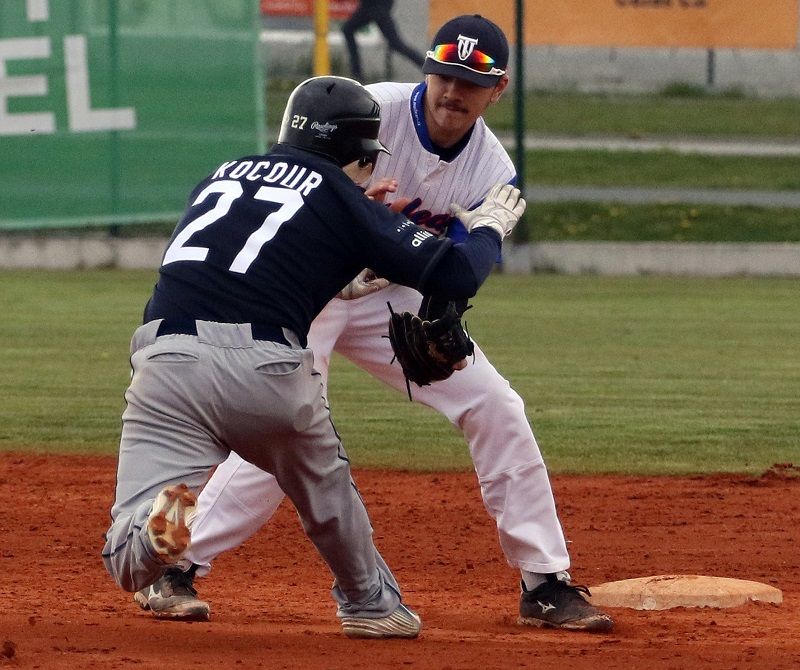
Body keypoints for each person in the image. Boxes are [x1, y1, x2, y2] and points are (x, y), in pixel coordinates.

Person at [133, 14, 614, 633]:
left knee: (496, 405)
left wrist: (445, 314)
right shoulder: (371, 112)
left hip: (389, 297)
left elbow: (456, 269)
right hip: (309, 293)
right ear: (426, 70)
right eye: (444, 73)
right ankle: (178, 566)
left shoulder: (491, 168)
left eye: (471, 81)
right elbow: (293, 184)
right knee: (283, 426)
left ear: (498, 91)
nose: (452, 91)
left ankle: (544, 583)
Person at [102, 74, 526, 639]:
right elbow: (453, 273)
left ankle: (157, 531)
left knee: (126, 548)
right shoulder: (342, 197)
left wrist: (342, 271)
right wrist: (489, 232)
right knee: (328, 494)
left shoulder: (220, 176)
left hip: (164, 359)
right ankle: (369, 604)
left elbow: (243, 261)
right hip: (266, 371)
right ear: (355, 153)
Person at [341, 0, 425, 81]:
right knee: (396, 44)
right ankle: (356, 73)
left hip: (375, 8)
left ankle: (356, 73)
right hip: (373, 7)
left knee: (396, 44)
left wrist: (383, 9)